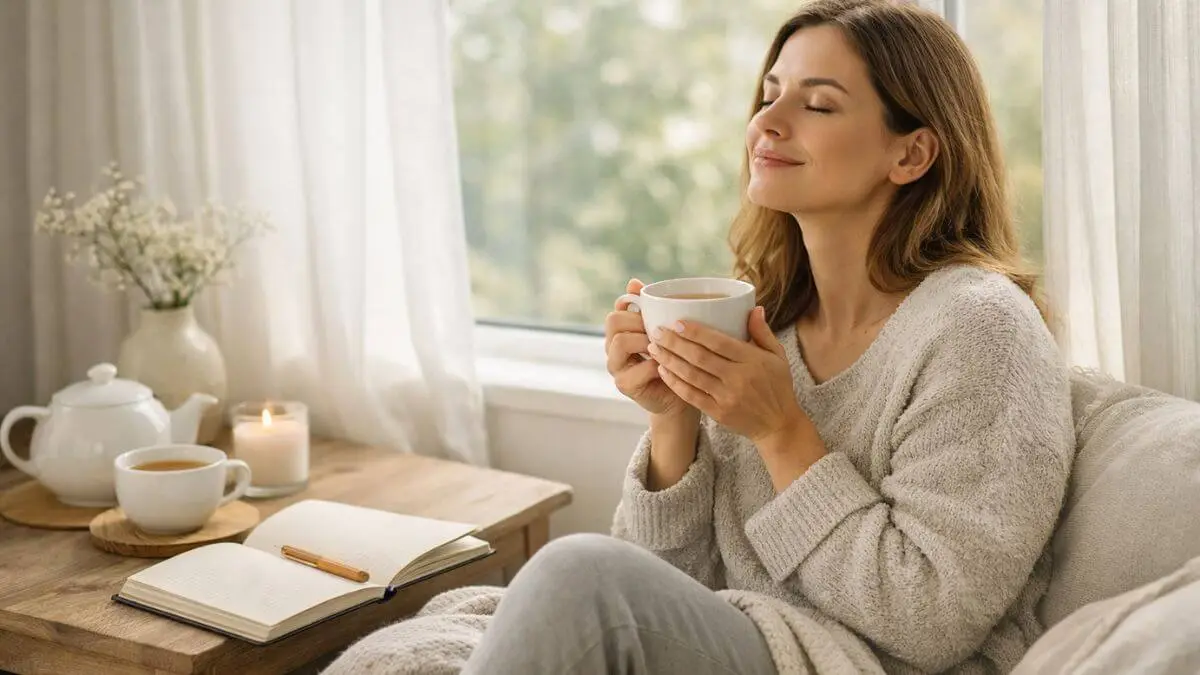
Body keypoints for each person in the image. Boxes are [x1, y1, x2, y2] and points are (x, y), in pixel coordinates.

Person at [459, 0, 1074, 673]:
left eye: (818, 104)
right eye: (770, 94)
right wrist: (676, 420)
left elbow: (928, 620)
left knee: (574, 572)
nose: (766, 124)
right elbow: (663, 588)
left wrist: (781, 432)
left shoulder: (980, 330)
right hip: (746, 643)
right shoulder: (767, 323)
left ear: (912, 152)